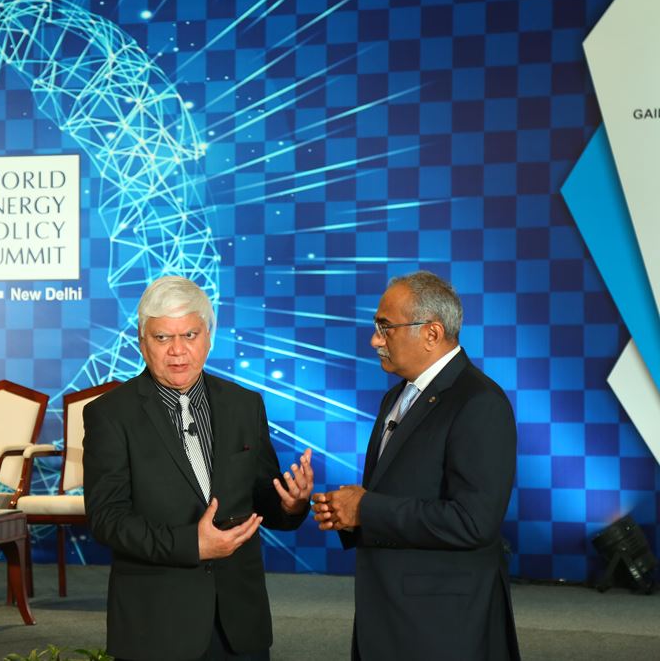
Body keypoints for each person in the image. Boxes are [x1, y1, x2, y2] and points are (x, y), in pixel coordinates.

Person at [83, 275, 314, 661]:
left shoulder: (244, 405)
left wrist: (290, 504)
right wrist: (192, 544)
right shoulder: (110, 415)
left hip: (239, 621)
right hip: (157, 625)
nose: (177, 351)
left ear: (209, 336)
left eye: (189, 335)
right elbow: (107, 519)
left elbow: (260, 498)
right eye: (162, 338)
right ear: (142, 341)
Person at [313, 270, 521, 660]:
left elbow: (474, 522)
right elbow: (398, 493)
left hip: (442, 627)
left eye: (385, 327)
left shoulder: (479, 403)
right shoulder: (395, 397)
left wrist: (366, 509)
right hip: (389, 616)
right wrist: (348, 515)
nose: (375, 340)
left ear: (431, 333)